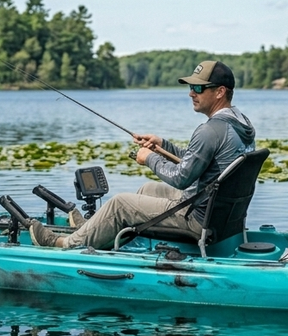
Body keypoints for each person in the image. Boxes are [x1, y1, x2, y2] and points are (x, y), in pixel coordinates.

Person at [27, 60, 255, 250]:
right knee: (148, 189)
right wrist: (162, 145)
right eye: (190, 88)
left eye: (197, 88)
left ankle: (64, 244)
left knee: (120, 203)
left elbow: (182, 178)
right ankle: (93, 231)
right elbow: (200, 161)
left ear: (220, 92)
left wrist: (149, 158)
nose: (190, 93)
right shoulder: (239, 124)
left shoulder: (210, 130)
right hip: (221, 217)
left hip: (198, 219)